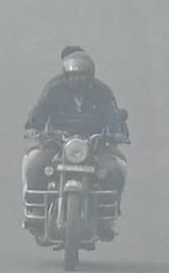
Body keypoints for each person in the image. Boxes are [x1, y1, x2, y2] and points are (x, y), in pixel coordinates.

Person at [20, 46, 129, 218]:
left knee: (115, 168)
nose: (77, 79)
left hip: (96, 142)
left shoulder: (102, 92)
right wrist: (33, 127)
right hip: (57, 140)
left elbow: (112, 114)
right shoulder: (54, 89)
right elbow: (40, 110)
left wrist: (118, 132)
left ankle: (107, 212)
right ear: (66, 75)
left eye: (82, 75)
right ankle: (36, 209)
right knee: (34, 164)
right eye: (73, 75)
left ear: (90, 76)